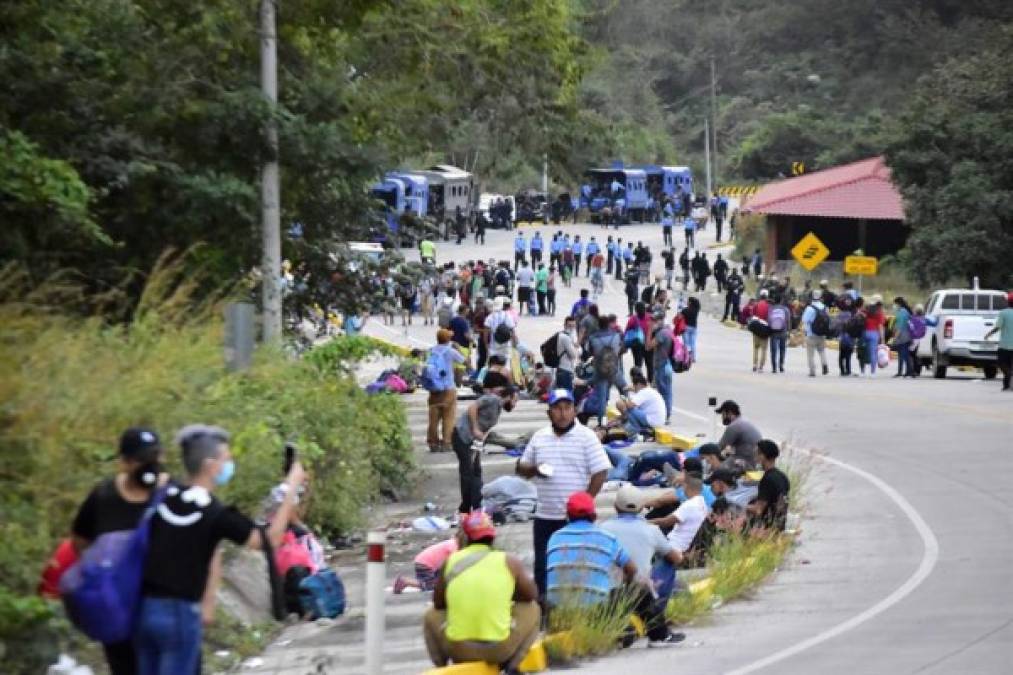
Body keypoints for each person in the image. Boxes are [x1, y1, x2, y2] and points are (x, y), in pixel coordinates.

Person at [136, 425, 306, 675]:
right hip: (180, 614)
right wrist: (291, 487)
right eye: (226, 459)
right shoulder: (213, 513)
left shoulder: (163, 495)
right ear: (210, 465)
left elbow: (208, 550)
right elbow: (269, 540)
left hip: (143, 610)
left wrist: (208, 602)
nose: (229, 465)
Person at [70, 428, 169, 675]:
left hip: (164, 606)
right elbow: (80, 540)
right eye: (140, 460)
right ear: (124, 463)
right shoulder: (103, 497)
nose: (149, 466)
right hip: (119, 610)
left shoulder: (171, 494)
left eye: (154, 457)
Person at [557, 491, 686, 647]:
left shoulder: (599, 530)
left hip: (569, 603)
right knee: (644, 584)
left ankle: (624, 629)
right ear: (640, 509)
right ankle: (658, 632)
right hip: (612, 595)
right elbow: (633, 569)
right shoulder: (650, 530)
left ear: (616, 507)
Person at [517, 389, 610, 598]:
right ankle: (544, 608)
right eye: (558, 409)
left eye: (567, 408)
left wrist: (585, 501)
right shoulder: (540, 437)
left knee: (575, 564)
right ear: (549, 412)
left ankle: (575, 605)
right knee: (543, 565)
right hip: (545, 515)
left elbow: (600, 472)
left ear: (574, 411)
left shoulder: (586, 436)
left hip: (574, 518)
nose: (563, 413)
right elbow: (521, 468)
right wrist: (534, 469)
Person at [423, 512, 540, 672]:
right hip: (499, 650)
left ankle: (443, 668)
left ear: (467, 538)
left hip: (460, 650)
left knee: (430, 613)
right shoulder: (509, 561)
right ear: (492, 537)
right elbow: (531, 595)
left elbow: (438, 603)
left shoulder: (452, 561)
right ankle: (513, 666)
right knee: (533, 608)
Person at [453, 385, 518, 513]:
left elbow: (486, 427)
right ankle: (466, 507)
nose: (515, 404)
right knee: (468, 472)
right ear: (509, 396)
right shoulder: (492, 399)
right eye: (515, 400)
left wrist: (481, 440)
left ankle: (477, 504)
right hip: (462, 436)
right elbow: (472, 408)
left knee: (476, 471)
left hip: (474, 441)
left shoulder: (498, 408)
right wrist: (475, 428)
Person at [426, 329, 467, 452]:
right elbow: (466, 362)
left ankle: (432, 443)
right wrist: (458, 348)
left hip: (434, 388)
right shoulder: (451, 351)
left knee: (433, 418)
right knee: (448, 417)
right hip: (448, 388)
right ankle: (446, 443)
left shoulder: (431, 351)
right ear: (448, 339)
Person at [588, 315, 627, 423]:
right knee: (624, 389)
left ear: (598, 325)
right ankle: (630, 414)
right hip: (614, 369)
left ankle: (601, 422)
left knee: (602, 398)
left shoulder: (593, 338)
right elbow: (622, 348)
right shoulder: (616, 335)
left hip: (600, 371)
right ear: (608, 324)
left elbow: (590, 352)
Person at [394, 532, 462, 594]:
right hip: (425, 564)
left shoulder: (450, 542)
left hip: (426, 563)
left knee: (438, 582)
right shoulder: (453, 544)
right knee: (429, 586)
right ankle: (405, 581)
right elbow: (457, 559)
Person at [748, 440, 790, 531]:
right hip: (780, 527)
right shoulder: (782, 477)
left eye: (756, 454)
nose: (755, 457)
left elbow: (758, 510)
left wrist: (739, 505)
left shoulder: (767, 479)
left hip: (766, 529)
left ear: (762, 456)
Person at [615, 368, 666, 437]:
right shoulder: (649, 390)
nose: (634, 388)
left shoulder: (644, 392)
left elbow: (630, 405)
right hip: (657, 420)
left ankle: (636, 430)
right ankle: (639, 429)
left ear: (639, 384)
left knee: (628, 409)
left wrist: (624, 399)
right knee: (631, 409)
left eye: (635, 386)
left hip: (653, 420)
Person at [714, 400, 762, 469]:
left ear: (730, 413)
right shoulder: (743, 421)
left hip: (747, 461)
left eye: (723, 414)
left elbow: (719, 447)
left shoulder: (734, 426)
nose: (722, 417)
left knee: (718, 468)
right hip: (754, 460)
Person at [647, 311, 674, 422]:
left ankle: (666, 416)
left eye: (654, 320)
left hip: (662, 366)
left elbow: (648, 346)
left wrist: (649, 330)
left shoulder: (662, 333)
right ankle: (667, 414)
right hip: (667, 364)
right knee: (667, 391)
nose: (652, 322)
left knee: (664, 392)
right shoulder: (668, 330)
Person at [983, 291, 1013, 391]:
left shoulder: (1003, 313)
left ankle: (1008, 378)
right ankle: (1007, 383)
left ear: (1008, 302)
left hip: (1004, 345)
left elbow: (998, 327)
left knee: (1002, 364)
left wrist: (989, 334)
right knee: (1009, 365)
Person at [801, 292, 829, 377]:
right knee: (822, 351)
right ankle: (824, 364)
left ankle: (812, 371)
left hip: (811, 334)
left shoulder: (810, 308)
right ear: (820, 298)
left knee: (810, 354)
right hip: (822, 334)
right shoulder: (825, 307)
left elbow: (804, 320)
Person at [485, 298, 517, 364]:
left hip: (493, 345)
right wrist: (514, 345)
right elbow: (513, 332)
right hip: (506, 345)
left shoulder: (490, 317)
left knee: (493, 365)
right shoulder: (507, 316)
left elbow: (485, 335)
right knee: (506, 365)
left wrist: (487, 347)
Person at [890, 296, 914, 378]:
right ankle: (903, 371)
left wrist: (894, 338)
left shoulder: (902, 313)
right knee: (902, 354)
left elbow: (899, 327)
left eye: (895, 304)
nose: (894, 306)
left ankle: (910, 371)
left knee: (904, 355)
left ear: (898, 304)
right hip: (906, 335)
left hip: (903, 336)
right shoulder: (905, 311)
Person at [555, 316, 581, 392]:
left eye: (573, 326)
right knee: (567, 396)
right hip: (565, 370)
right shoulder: (566, 338)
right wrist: (576, 348)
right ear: (565, 325)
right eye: (570, 326)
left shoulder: (561, 335)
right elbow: (573, 355)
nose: (572, 328)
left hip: (561, 369)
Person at [864, 295, 887, 376]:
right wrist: (882, 339)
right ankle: (873, 372)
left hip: (865, 332)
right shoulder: (879, 312)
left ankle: (862, 371)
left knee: (864, 352)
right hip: (874, 333)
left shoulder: (867, 309)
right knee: (873, 353)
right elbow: (880, 326)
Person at [767, 294, 790, 373]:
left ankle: (774, 368)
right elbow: (788, 321)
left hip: (773, 332)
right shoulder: (785, 309)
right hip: (783, 331)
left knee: (773, 350)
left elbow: (768, 320)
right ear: (781, 300)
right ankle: (781, 366)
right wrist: (788, 332)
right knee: (782, 349)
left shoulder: (771, 309)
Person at [752, 289, 770, 372]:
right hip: (765, 328)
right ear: (767, 296)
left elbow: (753, 315)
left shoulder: (756, 305)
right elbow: (769, 317)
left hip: (756, 328)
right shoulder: (768, 306)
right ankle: (761, 367)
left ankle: (754, 365)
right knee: (764, 349)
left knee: (756, 347)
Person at [681, 297, 700, 362]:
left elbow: (680, 317)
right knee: (693, 343)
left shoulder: (685, 310)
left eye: (688, 301)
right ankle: (693, 357)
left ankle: (687, 357)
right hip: (694, 327)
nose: (687, 302)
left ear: (690, 302)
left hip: (686, 327)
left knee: (686, 343)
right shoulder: (696, 310)